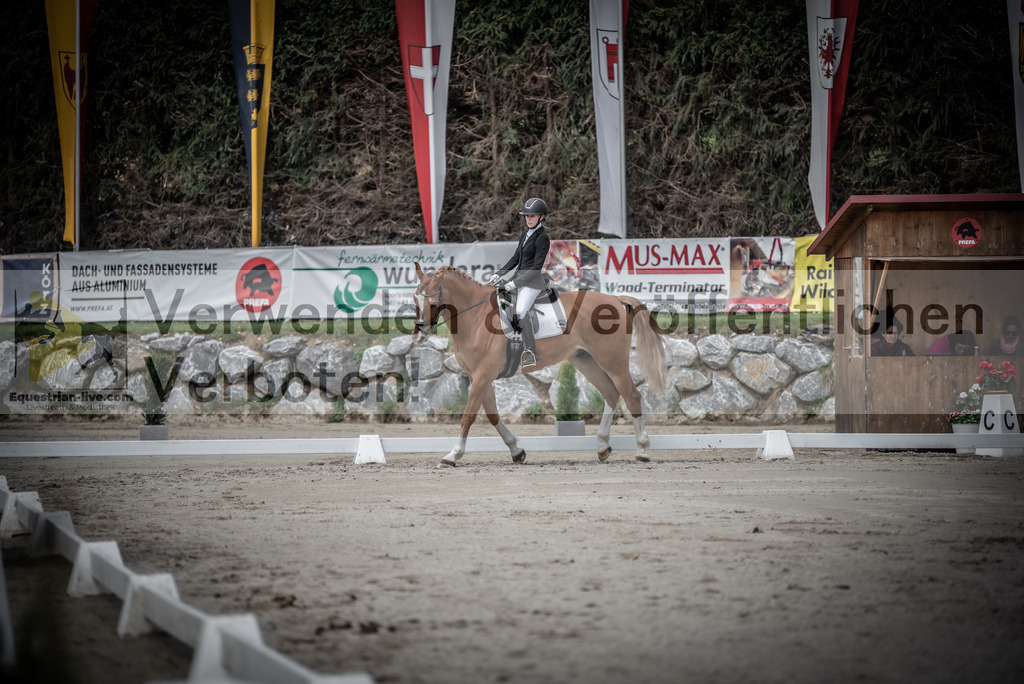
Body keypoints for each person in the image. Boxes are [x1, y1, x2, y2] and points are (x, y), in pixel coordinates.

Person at [487, 197, 551, 368]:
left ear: (541, 217)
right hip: (519, 279)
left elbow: (537, 267)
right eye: (526, 216)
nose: (528, 219)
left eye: (532, 216)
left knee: (521, 311)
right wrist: (499, 274)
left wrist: (515, 283)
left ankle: (530, 352)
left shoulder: (542, 238)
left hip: (532, 282)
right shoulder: (525, 234)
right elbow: (516, 258)